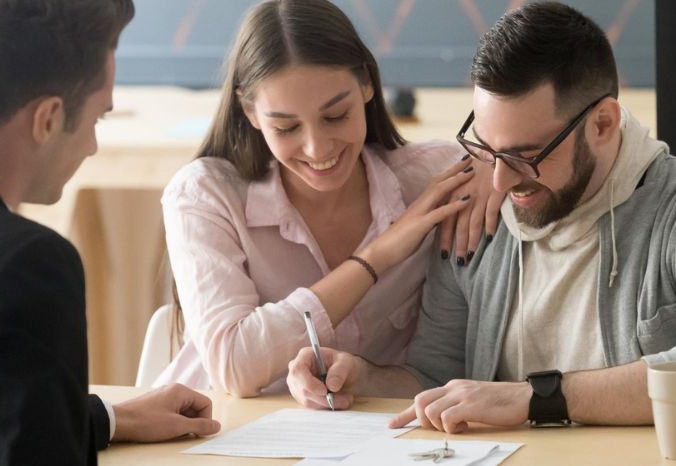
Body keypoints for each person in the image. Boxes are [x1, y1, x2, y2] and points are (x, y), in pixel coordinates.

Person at [286, 1, 676, 431]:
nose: (499, 181)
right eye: (487, 149)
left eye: (525, 155)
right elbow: (438, 377)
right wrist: (365, 377)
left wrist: (534, 399)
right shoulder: (476, 214)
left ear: (603, 124)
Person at [154, 0, 501, 396]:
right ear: (250, 111)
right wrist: (376, 257)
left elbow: (515, 158)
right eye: (286, 127)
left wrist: (493, 163)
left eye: (336, 116)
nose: (317, 148)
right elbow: (234, 367)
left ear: (367, 84)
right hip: (221, 425)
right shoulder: (204, 194)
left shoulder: (434, 179)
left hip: (374, 428)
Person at [0, 1, 220, 464]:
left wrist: (110, 418)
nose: (92, 145)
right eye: (97, 119)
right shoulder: (28, 264)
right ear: (48, 119)